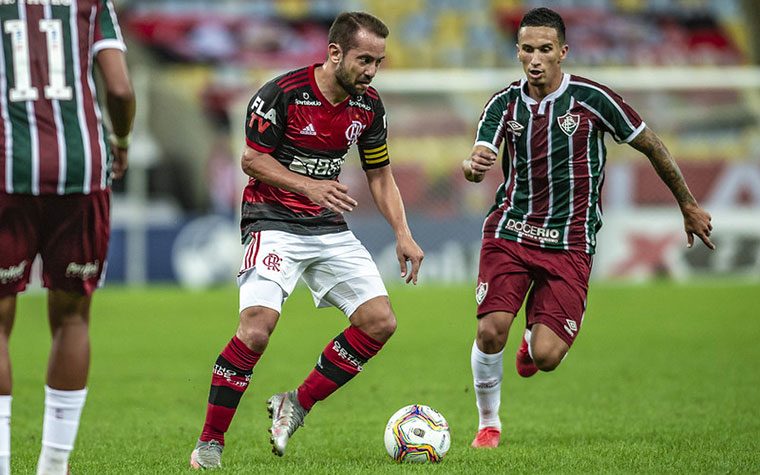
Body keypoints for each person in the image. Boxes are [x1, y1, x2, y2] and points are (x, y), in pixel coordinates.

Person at [463, 7, 714, 449]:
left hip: (569, 242)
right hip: (510, 231)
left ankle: (532, 337)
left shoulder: (593, 99)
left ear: (563, 51)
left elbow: (651, 145)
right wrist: (472, 165)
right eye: (527, 49)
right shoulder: (502, 103)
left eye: (545, 49)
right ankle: (489, 423)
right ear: (517, 52)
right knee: (489, 329)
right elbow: (477, 156)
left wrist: (688, 205)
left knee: (546, 357)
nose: (535, 58)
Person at [189, 11, 423, 469]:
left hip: (327, 228)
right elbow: (252, 161)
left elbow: (380, 174)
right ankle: (209, 443)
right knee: (256, 330)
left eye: (378, 61)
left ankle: (295, 403)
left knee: (380, 322)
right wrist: (309, 185)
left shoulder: (368, 106)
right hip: (271, 221)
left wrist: (403, 233)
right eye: (364, 59)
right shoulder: (281, 94)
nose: (371, 70)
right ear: (334, 52)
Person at [0, 1, 136, 474]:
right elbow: (118, 88)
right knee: (73, 317)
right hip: (81, 170)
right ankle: (53, 467)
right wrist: (121, 141)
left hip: (6, 168)